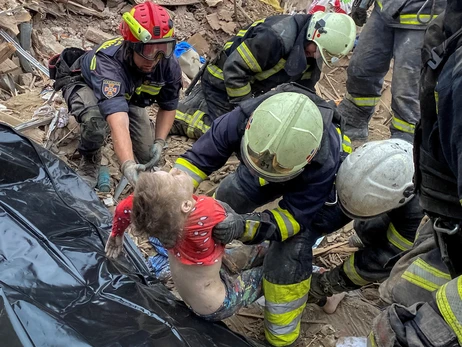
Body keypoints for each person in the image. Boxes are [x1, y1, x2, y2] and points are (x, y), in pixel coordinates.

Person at [172, 82, 352, 347]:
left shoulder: (325, 158)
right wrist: (173, 196)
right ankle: (246, 256)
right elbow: (197, 159)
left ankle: (282, 335)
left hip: (321, 196)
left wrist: (243, 227)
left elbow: (293, 220)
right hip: (273, 160)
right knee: (232, 191)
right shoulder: (247, 116)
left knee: (287, 256)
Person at [363, 1, 462, 344]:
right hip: (441, 214)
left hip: (450, 224)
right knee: (401, 291)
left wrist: (432, 331)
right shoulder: (451, 30)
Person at [105, 169, 265, 321]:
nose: (176, 170)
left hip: (199, 290)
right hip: (217, 303)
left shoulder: (162, 221)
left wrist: (116, 234)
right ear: (186, 205)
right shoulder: (207, 213)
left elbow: (124, 208)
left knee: (251, 253)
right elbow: (239, 221)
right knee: (270, 275)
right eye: (173, 178)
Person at [52, 2, 182, 187]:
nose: (155, 59)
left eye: (163, 48)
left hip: (130, 94)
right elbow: (117, 120)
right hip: (85, 84)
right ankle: (90, 158)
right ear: (130, 45)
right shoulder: (108, 63)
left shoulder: (167, 63)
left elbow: (169, 105)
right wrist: (127, 164)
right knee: (96, 121)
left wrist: (160, 141)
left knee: (147, 154)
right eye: (147, 50)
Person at [170, 12, 356, 139]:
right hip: (222, 79)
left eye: (321, 54)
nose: (316, 56)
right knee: (229, 134)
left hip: (251, 85)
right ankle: (179, 116)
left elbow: (304, 89)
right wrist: (245, 110)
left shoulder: (313, 48)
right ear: (314, 33)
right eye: (317, 50)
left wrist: (316, 112)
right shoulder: (275, 37)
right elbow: (234, 70)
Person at [307, 139, 424, 304]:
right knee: (369, 223)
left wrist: (326, 284)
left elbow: (379, 260)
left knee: (409, 277)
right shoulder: (393, 162)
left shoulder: (418, 217)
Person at [337, 0, 446, 142]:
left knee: (407, 90)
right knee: (361, 68)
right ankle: (353, 121)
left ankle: (404, 140)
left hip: (422, 18)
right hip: (385, 9)